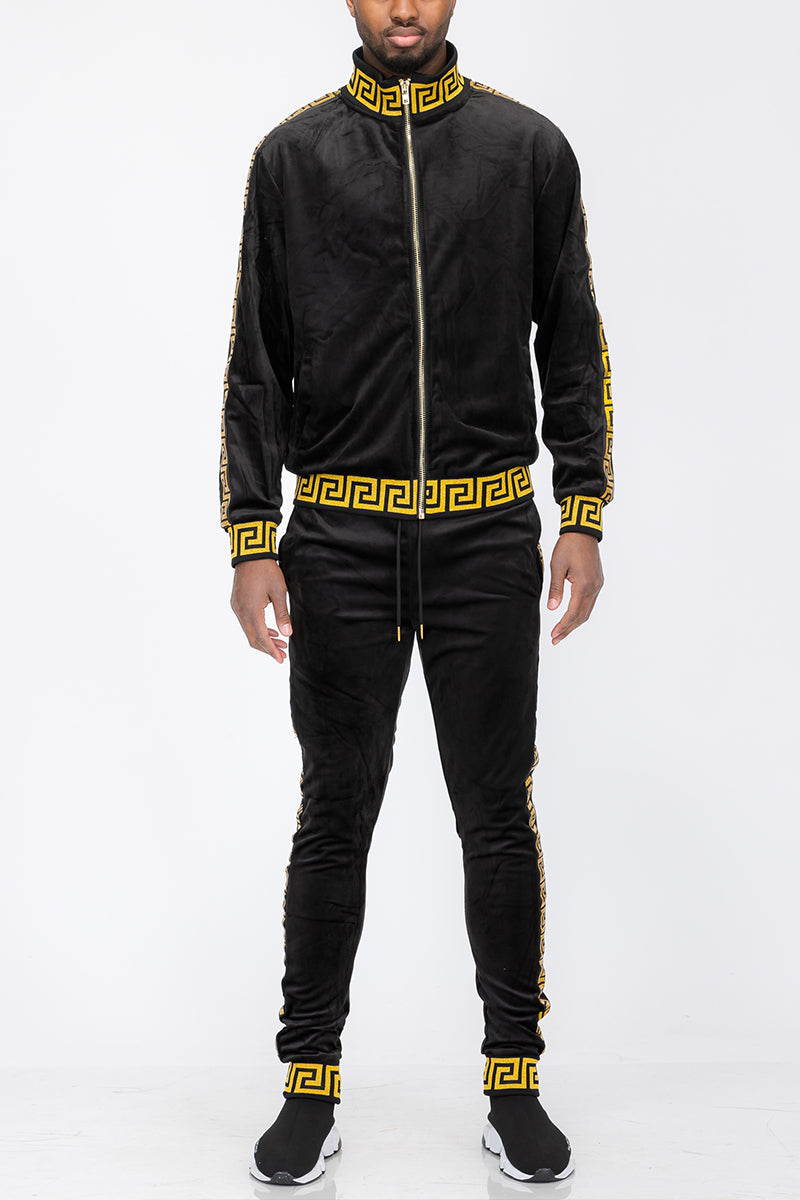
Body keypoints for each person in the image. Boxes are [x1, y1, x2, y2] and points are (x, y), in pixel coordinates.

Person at [219, 0, 613, 1186]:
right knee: (332, 811)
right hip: (338, 534)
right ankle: (308, 1084)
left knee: (495, 812)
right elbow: (254, 362)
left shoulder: (526, 150)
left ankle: (512, 1084)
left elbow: (573, 338)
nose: (403, 7)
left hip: (486, 531)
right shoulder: (290, 159)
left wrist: (581, 510)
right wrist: (251, 536)